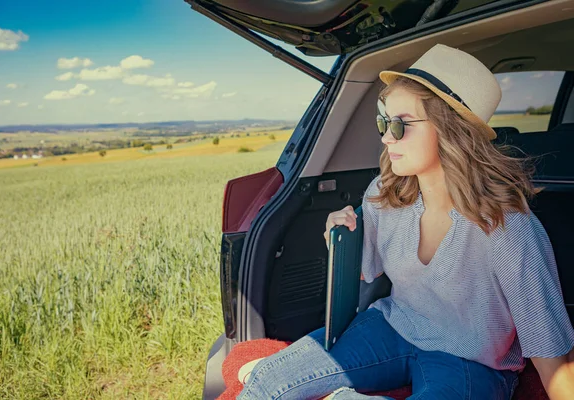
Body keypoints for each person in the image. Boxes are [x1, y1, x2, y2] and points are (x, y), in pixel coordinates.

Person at [236, 44, 574, 400]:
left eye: (400, 125)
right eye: (384, 122)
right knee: (267, 383)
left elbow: (549, 353)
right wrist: (340, 240)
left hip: (472, 361)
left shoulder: (509, 228)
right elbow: (366, 271)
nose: (385, 137)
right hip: (392, 326)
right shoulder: (384, 194)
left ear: (451, 131)